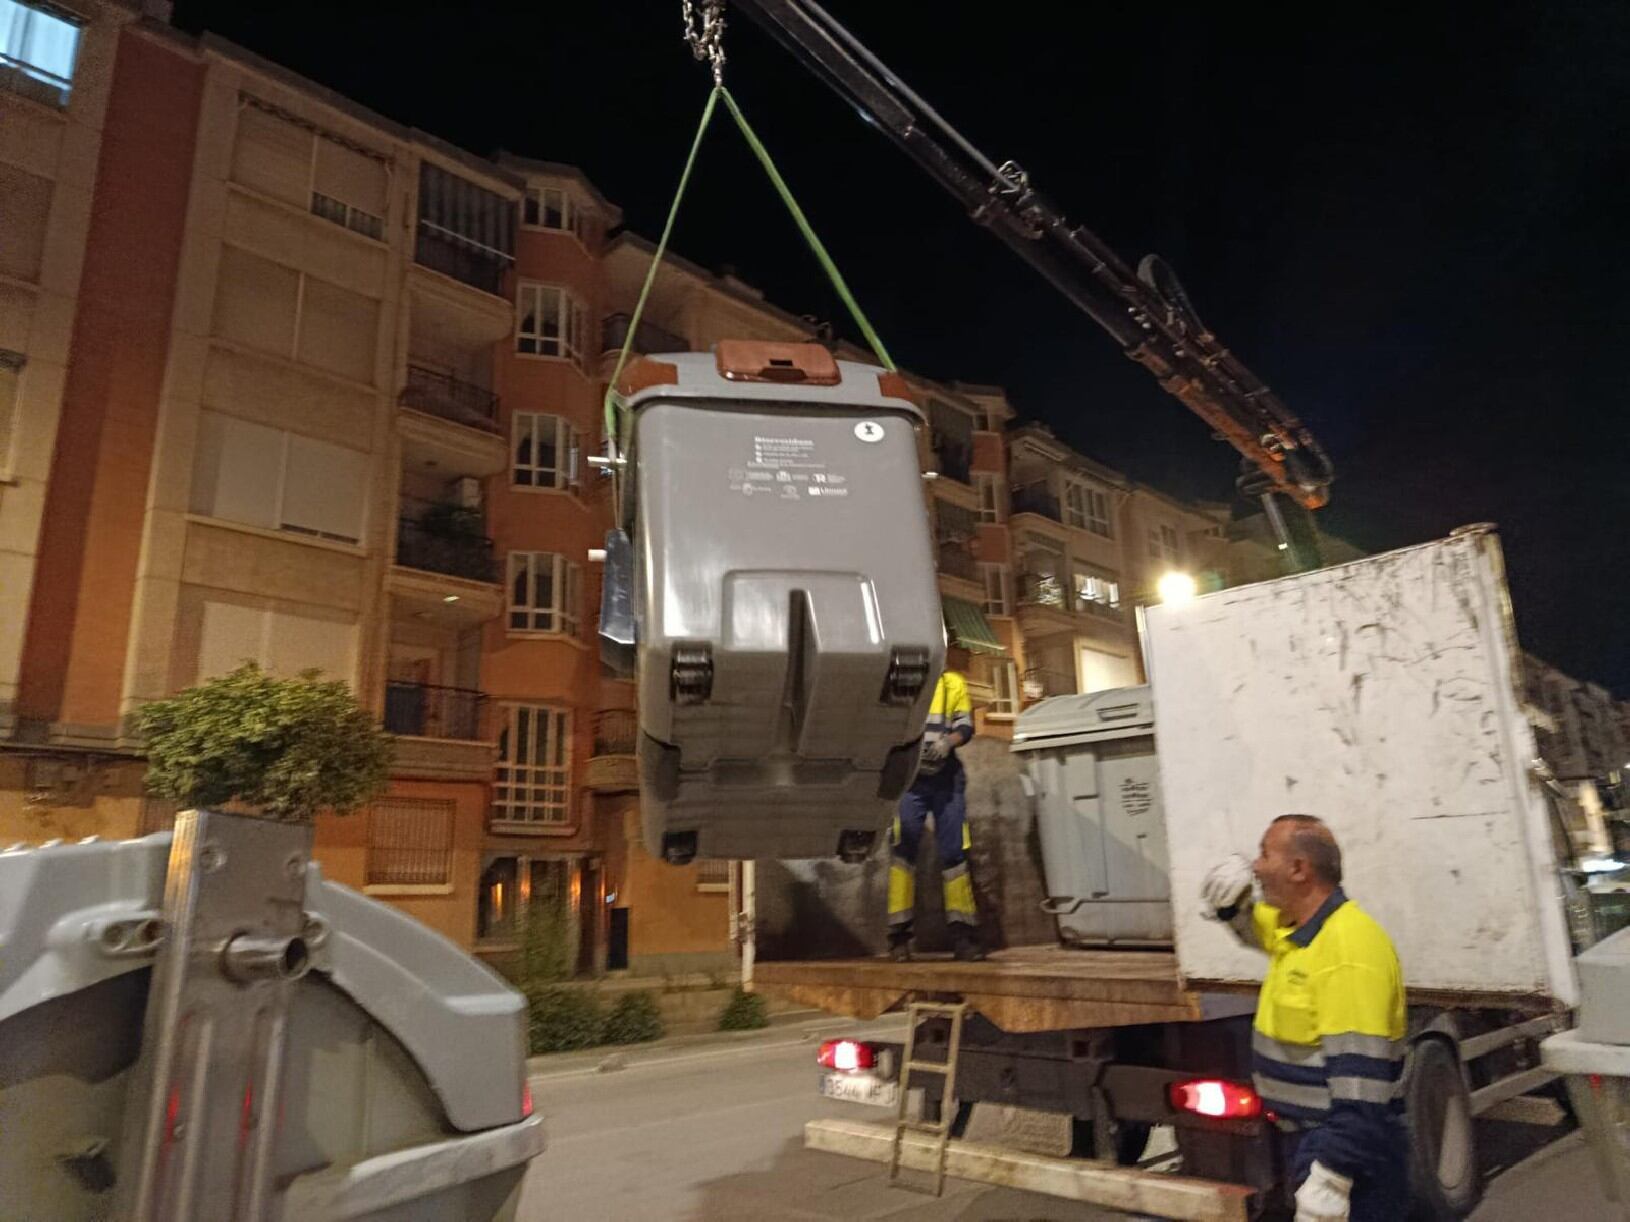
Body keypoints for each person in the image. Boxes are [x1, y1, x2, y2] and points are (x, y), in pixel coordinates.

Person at [1200, 815, 1408, 1222]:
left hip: (1344, 1151)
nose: (1255, 867)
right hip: (1308, 1139)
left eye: (1264, 854)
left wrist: (1332, 1179)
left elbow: (1362, 1089)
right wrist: (1229, 906)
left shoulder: (1348, 952)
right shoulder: (1298, 931)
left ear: (1299, 869)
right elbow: (1255, 930)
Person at [887, 645, 983, 962]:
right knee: (903, 854)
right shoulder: (900, 681)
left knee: (954, 854)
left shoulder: (951, 682)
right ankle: (899, 939)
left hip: (946, 780)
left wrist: (947, 742)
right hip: (910, 781)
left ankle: (963, 937)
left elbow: (965, 726)